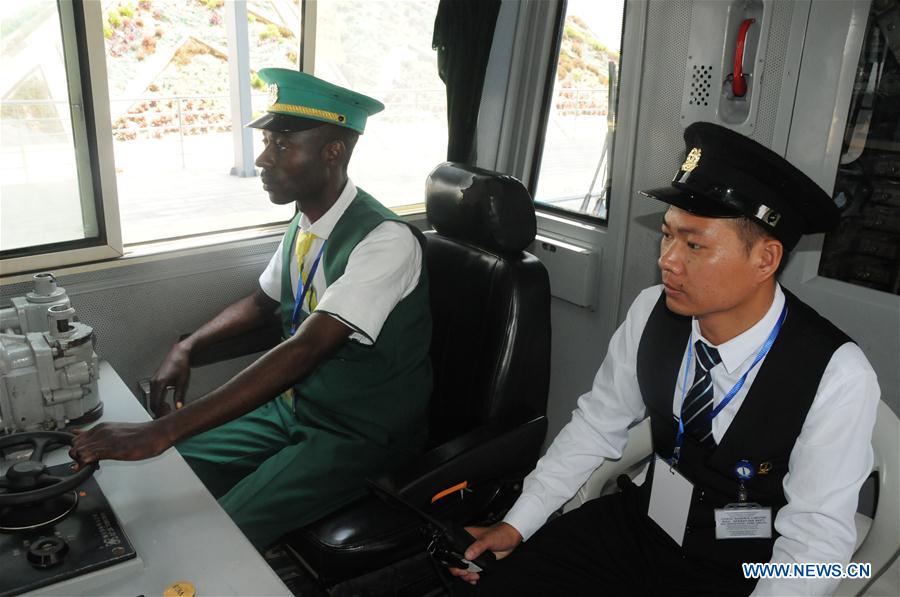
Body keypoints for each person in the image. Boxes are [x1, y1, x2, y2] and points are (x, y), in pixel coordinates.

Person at [451, 122, 880, 596]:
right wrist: (518, 524)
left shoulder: (836, 374)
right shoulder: (651, 311)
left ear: (765, 259)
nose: (668, 261)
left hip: (745, 566)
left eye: (694, 244)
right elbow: (597, 426)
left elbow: (816, 542)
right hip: (644, 523)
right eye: (667, 236)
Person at [71, 69, 433, 550]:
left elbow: (306, 348)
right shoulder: (307, 222)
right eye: (267, 141)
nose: (263, 158)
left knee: (215, 533)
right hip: (296, 407)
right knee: (167, 474)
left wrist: (163, 429)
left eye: (281, 145)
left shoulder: (385, 241)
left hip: (358, 432)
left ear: (333, 152)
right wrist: (188, 346)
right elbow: (262, 302)